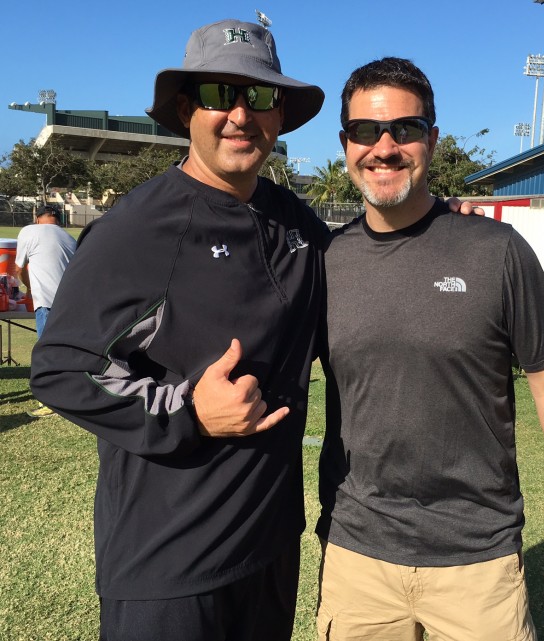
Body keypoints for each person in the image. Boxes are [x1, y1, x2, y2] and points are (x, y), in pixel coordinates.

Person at [29, 20, 477, 641]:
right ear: (187, 109)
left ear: (280, 116)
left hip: (269, 547)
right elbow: (59, 366)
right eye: (219, 94)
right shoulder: (136, 230)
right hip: (169, 562)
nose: (240, 115)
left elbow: (365, 279)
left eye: (260, 97)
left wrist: (450, 234)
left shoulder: (294, 221)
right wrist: (188, 411)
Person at [316, 57, 544, 641]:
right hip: (358, 554)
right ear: (345, 143)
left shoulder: (494, 250)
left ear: (433, 138)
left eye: (405, 128)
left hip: (477, 555)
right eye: (366, 132)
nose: (385, 147)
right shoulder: (324, 261)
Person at [15, 204, 76, 418]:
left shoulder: (29, 231)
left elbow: (19, 269)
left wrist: (29, 287)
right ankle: (69, 398)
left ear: (37, 217)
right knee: (67, 352)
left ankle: (51, 402)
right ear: (58, 219)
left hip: (47, 302)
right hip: (71, 305)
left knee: (46, 354)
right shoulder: (70, 238)